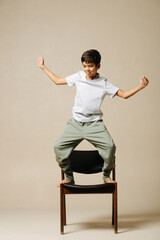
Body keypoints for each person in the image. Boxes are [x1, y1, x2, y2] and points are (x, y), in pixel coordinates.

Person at [37, 49, 149, 187]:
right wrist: (43, 67)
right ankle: (69, 176)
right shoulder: (78, 76)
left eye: (90, 66)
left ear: (98, 66)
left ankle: (106, 175)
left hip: (95, 124)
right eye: (84, 66)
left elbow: (124, 94)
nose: (87, 69)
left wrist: (140, 86)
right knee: (58, 147)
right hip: (76, 124)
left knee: (110, 147)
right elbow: (57, 80)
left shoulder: (104, 83)